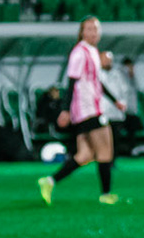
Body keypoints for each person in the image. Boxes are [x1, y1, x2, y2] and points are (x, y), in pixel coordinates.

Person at [39, 16, 121, 205]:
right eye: (89, 29)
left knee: (84, 156)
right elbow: (71, 82)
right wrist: (66, 110)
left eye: (96, 29)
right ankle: (106, 194)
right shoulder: (79, 53)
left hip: (89, 108)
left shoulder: (92, 51)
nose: (93, 32)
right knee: (105, 151)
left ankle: (49, 181)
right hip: (87, 109)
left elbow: (96, 81)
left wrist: (115, 100)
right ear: (82, 32)